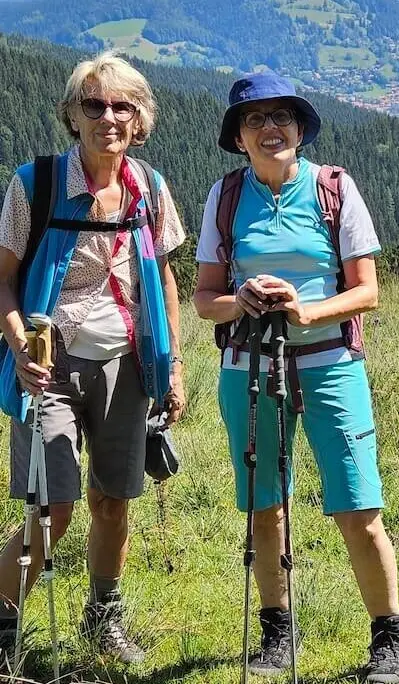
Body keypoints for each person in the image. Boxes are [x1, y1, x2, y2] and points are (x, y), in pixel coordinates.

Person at [192, 71, 399, 682]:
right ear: (238, 137)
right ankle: (276, 633)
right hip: (250, 363)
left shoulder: (334, 189)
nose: (270, 128)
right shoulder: (225, 197)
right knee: (265, 506)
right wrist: (243, 299)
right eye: (255, 120)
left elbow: (368, 291)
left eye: (282, 116)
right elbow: (206, 299)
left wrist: (307, 309)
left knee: (357, 503)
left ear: (300, 130)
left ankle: (388, 639)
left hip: (331, 362)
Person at [0, 52, 187, 666]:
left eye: (122, 106)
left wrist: (174, 364)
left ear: (140, 120)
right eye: (94, 104)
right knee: (50, 506)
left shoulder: (150, 189)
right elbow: (1, 280)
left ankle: (103, 618)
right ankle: (3, 617)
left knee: (114, 499)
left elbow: (163, 278)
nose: (108, 116)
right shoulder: (36, 184)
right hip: (46, 364)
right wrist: (19, 344)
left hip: (126, 364)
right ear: (72, 115)